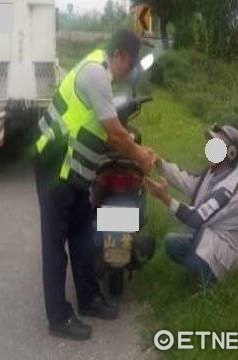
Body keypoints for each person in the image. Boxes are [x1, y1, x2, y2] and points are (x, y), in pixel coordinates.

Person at [34, 29, 157, 340]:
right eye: (131, 66)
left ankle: (88, 300)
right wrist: (140, 154)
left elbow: (107, 136)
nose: (128, 72)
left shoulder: (98, 70)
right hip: (55, 164)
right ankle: (58, 318)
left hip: (75, 170)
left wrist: (142, 152)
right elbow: (115, 133)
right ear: (121, 57)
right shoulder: (96, 75)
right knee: (55, 244)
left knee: (81, 235)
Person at [144, 124, 238, 286]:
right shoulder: (215, 172)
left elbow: (196, 218)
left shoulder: (227, 188)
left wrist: (164, 197)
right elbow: (188, 181)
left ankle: (209, 282)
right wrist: (159, 163)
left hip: (227, 251)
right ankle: (199, 271)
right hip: (211, 237)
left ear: (230, 154)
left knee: (195, 247)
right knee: (172, 243)